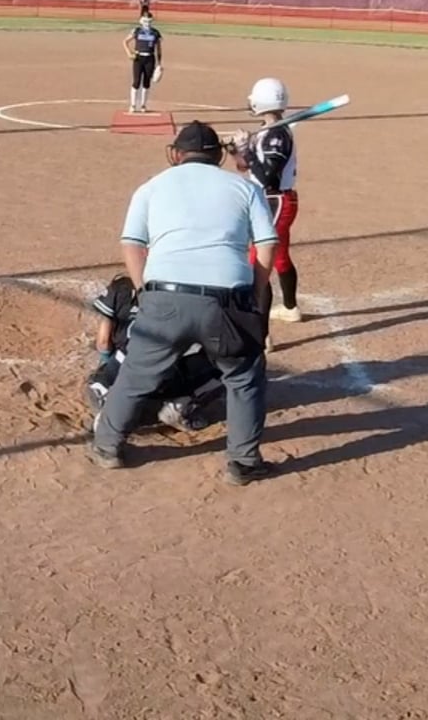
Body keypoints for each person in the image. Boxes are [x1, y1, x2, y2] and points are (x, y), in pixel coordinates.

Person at [92, 121, 277, 486]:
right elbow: (267, 245)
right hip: (226, 301)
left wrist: (145, 291)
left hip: (165, 296)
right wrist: (253, 295)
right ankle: (243, 461)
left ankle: (107, 446)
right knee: (244, 377)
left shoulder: (151, 186)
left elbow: (132, 244)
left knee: (137, 374)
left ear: (177, 154)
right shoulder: (245, 187)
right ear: (218, 156)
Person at [84, 274, 224, 433]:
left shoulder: (121, 287)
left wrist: (107, 365)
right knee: (228, 365)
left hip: (120, 370)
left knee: (119, 365)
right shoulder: (186, 295)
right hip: (166, 376)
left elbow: (103, 343)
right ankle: (179, 405)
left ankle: (108, 395)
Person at [230, 77, 302, 324]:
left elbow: (269, 177)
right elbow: (245, 167)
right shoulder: (266, 130)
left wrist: (248, 150)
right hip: (269, 199)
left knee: (258, 264)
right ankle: (290, 309)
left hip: (275, 201)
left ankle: (260, 333)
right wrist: (236, 150)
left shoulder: (277, 135)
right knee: (279, 257)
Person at [122, 14, 163, 114]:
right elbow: (125, 41)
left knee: (146, 82)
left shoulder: (155, 33)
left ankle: (143, 105)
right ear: (141, 21)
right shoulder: (137, 31)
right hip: (138, 58)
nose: (147, 23)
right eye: (145, 21)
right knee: (136, 82)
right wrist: (129, 53)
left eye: (149, 21)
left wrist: (159, 64)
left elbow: (158, 49)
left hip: (150, 58)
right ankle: (133, 105)